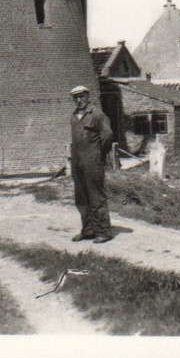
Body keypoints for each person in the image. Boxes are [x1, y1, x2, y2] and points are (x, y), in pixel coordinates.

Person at [68, 84, 113, 242]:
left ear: (88, 96)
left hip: (92, 161)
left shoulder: (97, 115)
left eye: (81, 96)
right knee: (81, 196)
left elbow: (107, 136)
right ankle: (88, 230)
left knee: (96, 196)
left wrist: (98, 154)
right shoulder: (74, 116)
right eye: (76, 98)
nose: (79, 100)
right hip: (77, 161)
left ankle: (103, 231)